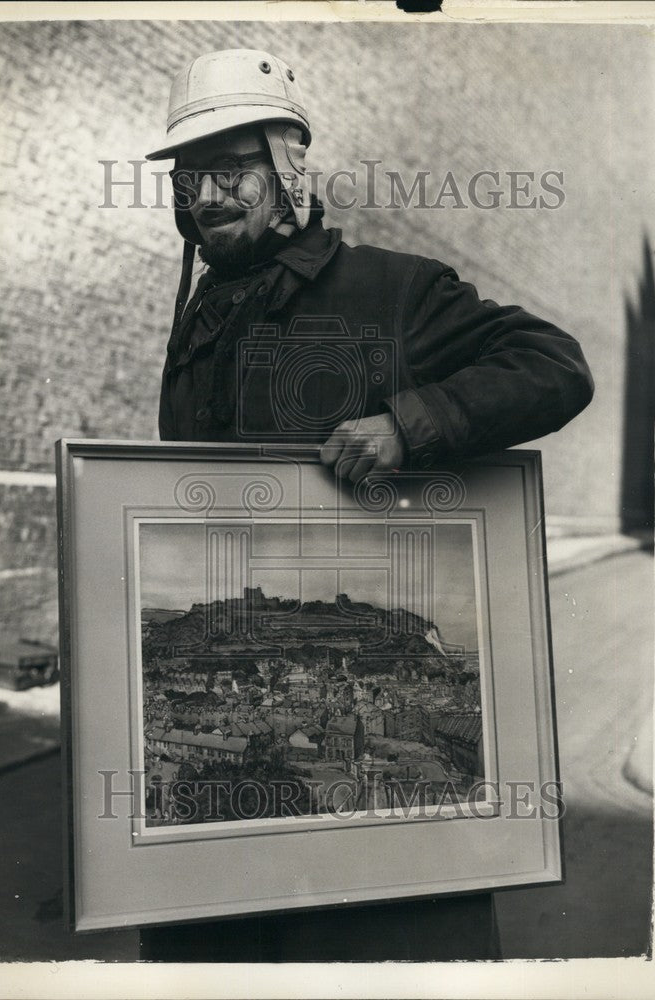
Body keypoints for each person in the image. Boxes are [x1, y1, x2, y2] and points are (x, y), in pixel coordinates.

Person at [139, 47, 593, 963]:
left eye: (230, 171)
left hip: (379, 885)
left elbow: (554, 366)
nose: (205, 197)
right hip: (225, 880)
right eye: (188, 178)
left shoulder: (394, 292)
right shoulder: (203, 315)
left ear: (286, 171)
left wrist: (408, 422)